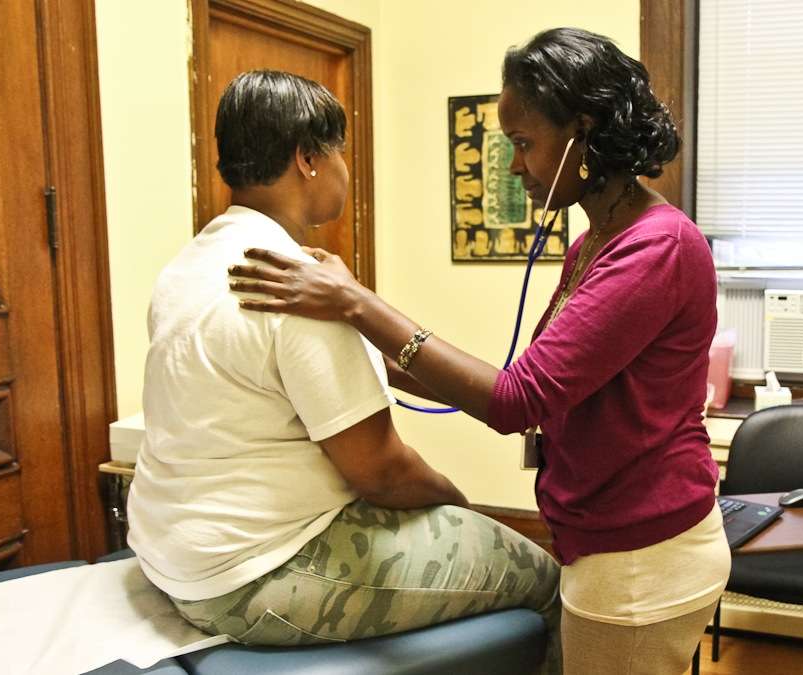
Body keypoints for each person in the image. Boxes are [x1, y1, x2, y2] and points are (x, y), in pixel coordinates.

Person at [229, 29, 730, 675]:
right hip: (602, 534)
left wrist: (356, 302)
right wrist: (350, 346)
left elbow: (516, 400)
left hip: (643, 555)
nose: (515, 165)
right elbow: (510, 383)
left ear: (582, 131)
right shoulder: (595, 243)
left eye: (523, 143)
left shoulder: (654, 246)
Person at [127, 69, 560, 673]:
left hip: (173, 553)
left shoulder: (187, 267)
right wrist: (459, 510)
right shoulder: (297, 290)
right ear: (308, 157)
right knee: (547, 582)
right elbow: (382, 473)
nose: (344, 170)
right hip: (255, 577)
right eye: (339, 153)